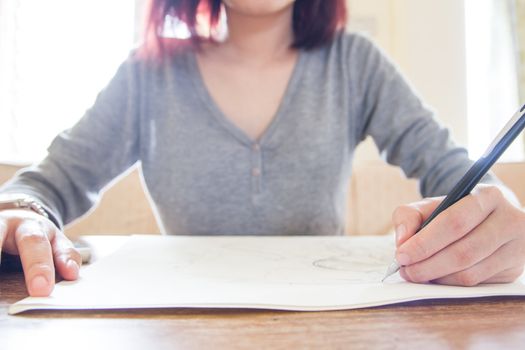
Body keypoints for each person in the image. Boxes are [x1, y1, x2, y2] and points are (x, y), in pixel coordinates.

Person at [1, 0, 524, 298]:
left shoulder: (355, 63)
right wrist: (22, 213)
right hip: (182, 327)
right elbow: (46, 183)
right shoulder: (147, 74)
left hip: (326, 328)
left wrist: (496, 221)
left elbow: (455, 170)